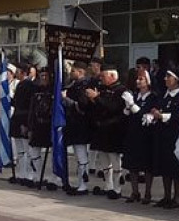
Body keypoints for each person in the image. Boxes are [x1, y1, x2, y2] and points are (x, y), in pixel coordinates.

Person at [85, 65, 127, 199]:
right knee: (103, 158)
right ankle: (108, 185)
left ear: (112, 76)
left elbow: (113, 107)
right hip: (101, 128)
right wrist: (92, 100)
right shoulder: (102, 89)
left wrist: (96, 98)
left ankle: (117, 188)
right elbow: (97, 107)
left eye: (103, 76)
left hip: (114, 129)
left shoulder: (122, 91)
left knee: (115, 160)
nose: (100, 78)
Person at [151, 69, 179, 209]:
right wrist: (155, 113)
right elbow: (159, 108)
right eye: (166, 76)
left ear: (176, 79)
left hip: (176, 135)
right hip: (163, 135)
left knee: (176, 168)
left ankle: (177, 198)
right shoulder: (164, 95)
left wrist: (163, 116)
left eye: (169, 77)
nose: (166, 79)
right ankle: (166, 196)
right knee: (165, 167)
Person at [121, 70, 158, 204]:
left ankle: (147, 193)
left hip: (146, 135)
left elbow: (145, 115)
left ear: (148, 81)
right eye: (137, 79)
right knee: (132, 165)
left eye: (141, 79)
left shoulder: (153, 97)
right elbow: (127, 115)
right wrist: (126, 107)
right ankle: (134, 191)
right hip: (133, 133)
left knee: (147, 166)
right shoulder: (135, 96)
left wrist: (132, 105)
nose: (138, 81)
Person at [62, 61, 94, 194]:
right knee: (78, 155)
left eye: (73, 71)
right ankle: (80, 183)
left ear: (80, 72)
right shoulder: (74, 85)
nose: (71, 73)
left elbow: (82, 106)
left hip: (80, 125)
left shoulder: (84, 86)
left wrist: (66, 99)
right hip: (73, 124)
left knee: (81, 156)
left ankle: (83, 184)